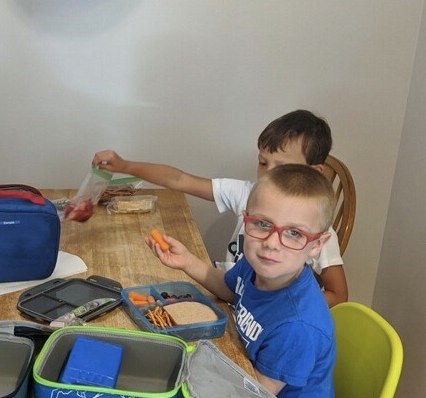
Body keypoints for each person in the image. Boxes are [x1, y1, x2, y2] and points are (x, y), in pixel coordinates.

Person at [146, 164, 336, 398]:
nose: (271, 242)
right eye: (262, 224)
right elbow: (227, 289)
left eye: (293, 233)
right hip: (252, 385)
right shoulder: (257, 267)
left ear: (317, 245)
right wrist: (188, 263)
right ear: (246, 219)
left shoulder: (299, 326)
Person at [93, 109, 348, 307]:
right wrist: (125, 166)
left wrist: (277, 303)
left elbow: (339, 294)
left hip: (257, 316)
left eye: (281, 168)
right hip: (226, 294)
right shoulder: (248, 192)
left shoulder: (314, 234)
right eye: (262, 163)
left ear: (314, 173)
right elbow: (180, 180)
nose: (267, 175)